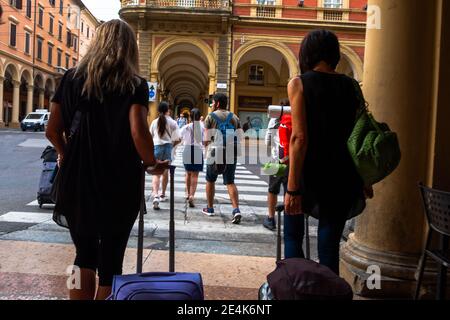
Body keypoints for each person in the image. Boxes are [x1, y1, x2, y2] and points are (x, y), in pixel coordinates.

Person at [46, 20, 167, 300]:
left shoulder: (71, 78)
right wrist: (150, 163)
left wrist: (65, 154)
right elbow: (138, 130)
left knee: (82, 255)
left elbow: (52, 129)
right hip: (118, 177)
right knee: (111, 259)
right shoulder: (134, 84)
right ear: (129, 48)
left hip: (77, 177)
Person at [284, 29, 372, 275]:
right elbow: (360, 136)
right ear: (334, 53)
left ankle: (295, 288)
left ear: (307, 53)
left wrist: (292, 188)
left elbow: (299, 138)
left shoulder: (299, 83)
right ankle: (329, 293)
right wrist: (364, 177)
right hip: (341, 174)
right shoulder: (351, 86)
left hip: (307, 172)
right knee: (329, 247)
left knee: (293, 236)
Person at [203, 93, 243, 224]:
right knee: (230, 181)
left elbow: (206, 139)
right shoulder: (235, 117)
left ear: (218, 103)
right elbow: (240, 136)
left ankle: (210, 208)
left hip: (215, 152)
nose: (212, 104)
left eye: (213, 102)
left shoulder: (210, 116)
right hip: (231, 152)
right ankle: (236, 209)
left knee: (210, 180)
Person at [263, 99, 290, 231]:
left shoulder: (274, 119)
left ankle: (270, 218)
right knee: (288, 190)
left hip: (275, 160)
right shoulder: (296, 117)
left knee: (272, 189)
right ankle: (289, 220)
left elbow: (267, 142)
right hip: (291, 161)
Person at [150, 101, 181, 210]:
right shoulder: (173, 122)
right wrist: (172, 145)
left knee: (156, 173)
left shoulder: (154, 122)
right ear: (168, 110)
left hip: (157, 147)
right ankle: (163, 193)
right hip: (168, 147)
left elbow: (150, 136)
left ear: (158, 110)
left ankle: (155, 195)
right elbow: (178, 139)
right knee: (165, 172)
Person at [180, 108, 205, 208]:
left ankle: (187, 193)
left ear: (190, 117)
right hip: (198, 150)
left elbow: (179, 137)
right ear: (199, 117)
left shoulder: (186, 127)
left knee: (187, 173)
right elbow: (205, 141)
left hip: (187, 149)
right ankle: (192, 195)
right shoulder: (203, 127)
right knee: (195, 175)